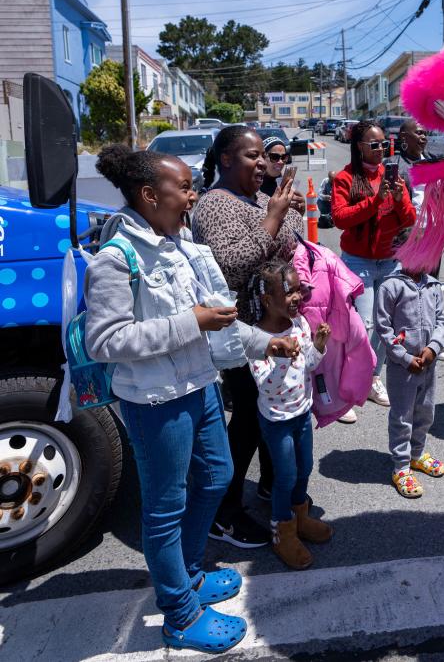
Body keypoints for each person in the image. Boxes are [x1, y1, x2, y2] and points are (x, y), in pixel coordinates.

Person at [85, 145, 296, 653]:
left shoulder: (182, 246)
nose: (192, 196)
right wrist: (191, 323)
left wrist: (263, 341)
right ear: (148, 194)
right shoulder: (117, 259)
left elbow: (220, 319)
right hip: (155, 400)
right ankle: (179, 611)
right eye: (184, 188)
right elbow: (105, 341)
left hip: (199, 386)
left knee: (219, 476)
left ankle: (189, 570)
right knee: (164, 507)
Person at [192, 125, 305, 549]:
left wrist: (285, 208)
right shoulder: (214, 205)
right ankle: (224, 511)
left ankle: (269, 486)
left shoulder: (258, 198)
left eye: (264, 156)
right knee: (246, 422)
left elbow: (290, 243)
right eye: (251, 156)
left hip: (272, 326)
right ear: (225, 159)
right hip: (238, 332)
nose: (262, 163)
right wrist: (273, 217)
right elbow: (230, 267)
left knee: (268, 413)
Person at [247, 259, 333, 569]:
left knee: (305, 466)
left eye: (299, 290)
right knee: (284, 475)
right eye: (289, 292)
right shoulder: (257, 340)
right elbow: (266, 387)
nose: (297, 297)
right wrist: (281, 356)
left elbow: (308, 364)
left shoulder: (300, 326)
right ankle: (282, 529)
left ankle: (300, 516)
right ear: (268, 300)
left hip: (302, 413)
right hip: (277, 421)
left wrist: (318, 347)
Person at [330, 121, 416, 407]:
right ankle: (352, 379)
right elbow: (340, 218)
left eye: (383, 144)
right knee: (363, 325)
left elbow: (409, 220)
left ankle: (372, 378)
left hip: (390, 260)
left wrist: (399, 197)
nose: (380, 150)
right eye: (374, 144)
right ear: (359, 147)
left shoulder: (393, 176)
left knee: (384, 324)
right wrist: (375, 201)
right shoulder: (345, 178)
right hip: (358, 261)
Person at [374, 264, 444, 498]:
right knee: (402, 416)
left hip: (428, 363)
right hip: (402, 367)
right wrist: (404, 357)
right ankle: (401, 466)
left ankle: (416, 453)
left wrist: (433, 348)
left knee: (425, 411)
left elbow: (441, 321)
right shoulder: (390, 286)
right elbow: (383, 328)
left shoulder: (433, 285)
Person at [395, 118, 444, 360]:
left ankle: (433, 342)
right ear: (404, 138)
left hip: (431, 235)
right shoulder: (394, 166)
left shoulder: (432, 163)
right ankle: (401, 342)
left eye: (425, 133)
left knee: (431, 288)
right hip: (407, 236)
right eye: (418, 133)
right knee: (405, 290)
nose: (424, 137)